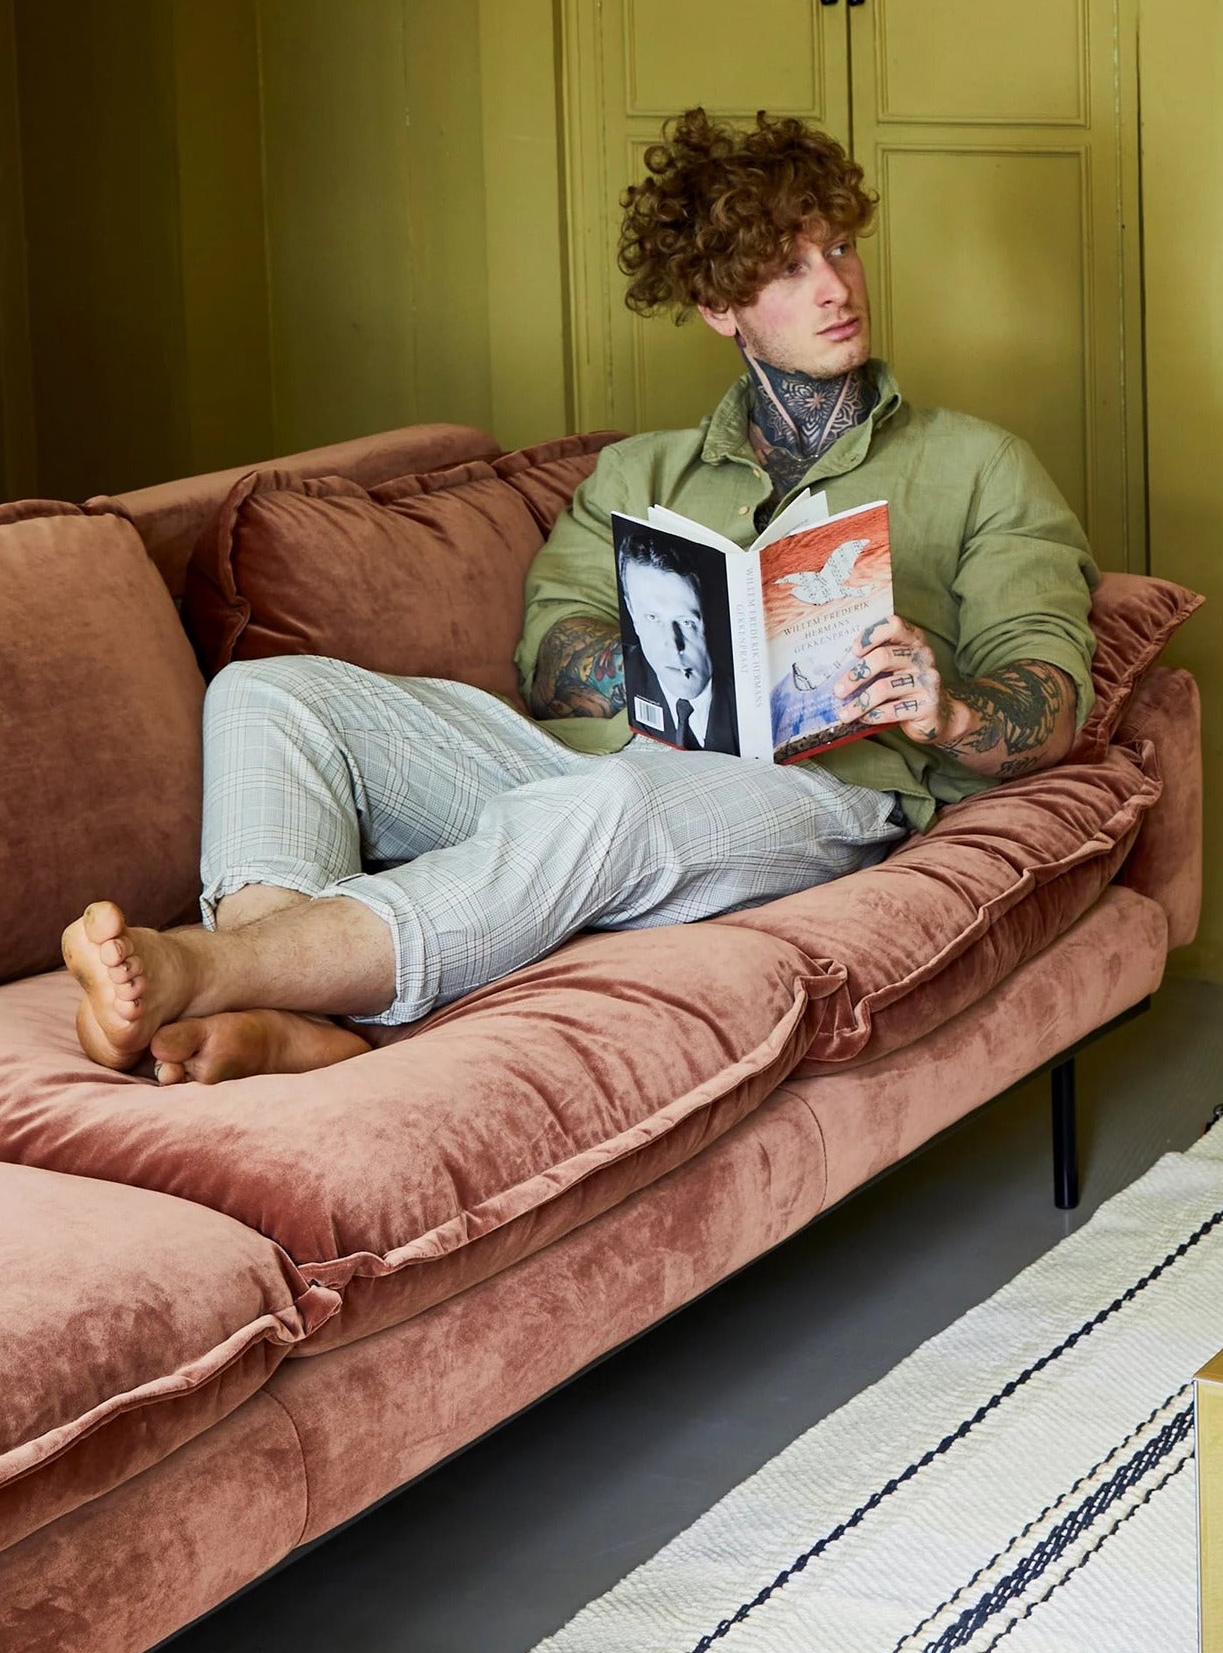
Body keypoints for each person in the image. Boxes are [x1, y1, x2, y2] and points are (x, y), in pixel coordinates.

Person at [62, 109, 1097, 1082]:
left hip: (827, 793)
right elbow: (553, 653)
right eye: (788, 267)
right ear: (720, 307)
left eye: (839, 249)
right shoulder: (640, 474)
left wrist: (949, 709)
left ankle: (206, 968)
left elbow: (1051, 696)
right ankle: (298, 1012)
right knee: (269, 692)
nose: (834, 286)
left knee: (610, 806)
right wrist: (679, 675)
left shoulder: (980, 465)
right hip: (603, 757)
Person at [617, 541, 736, 754]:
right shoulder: (625, 676)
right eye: (652, 618)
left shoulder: (748, 699)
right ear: (632, 612)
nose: (673, 646)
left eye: (687, 622)